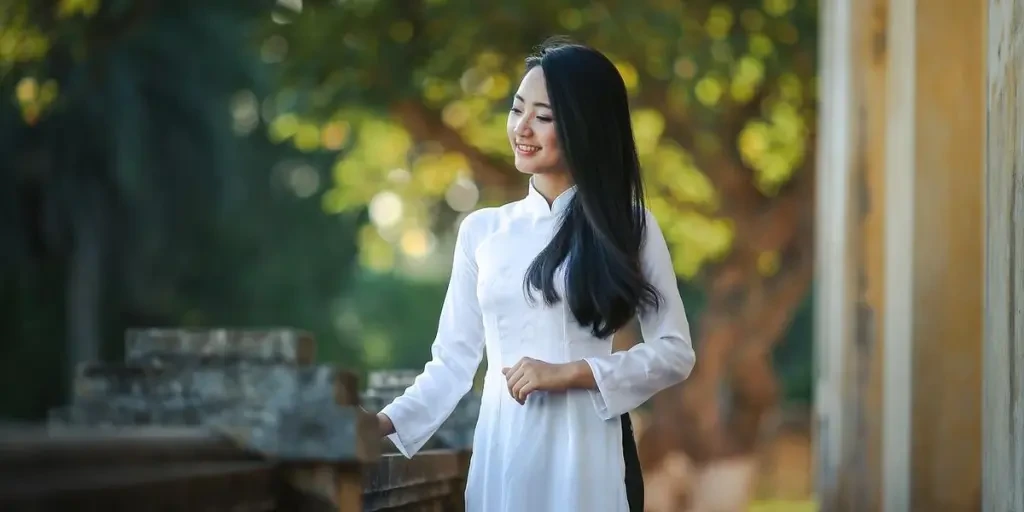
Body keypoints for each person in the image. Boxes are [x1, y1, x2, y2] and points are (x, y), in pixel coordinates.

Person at [376, 39, 696, 512]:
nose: (522, 128)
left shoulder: (627, 226)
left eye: (544, 117)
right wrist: (378, 424)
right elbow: (451, 366)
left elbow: (675, 353)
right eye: (517, 109)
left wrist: (571, 373)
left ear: (584, 127)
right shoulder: (483, 231)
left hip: (587, 454)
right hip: (502, 452)